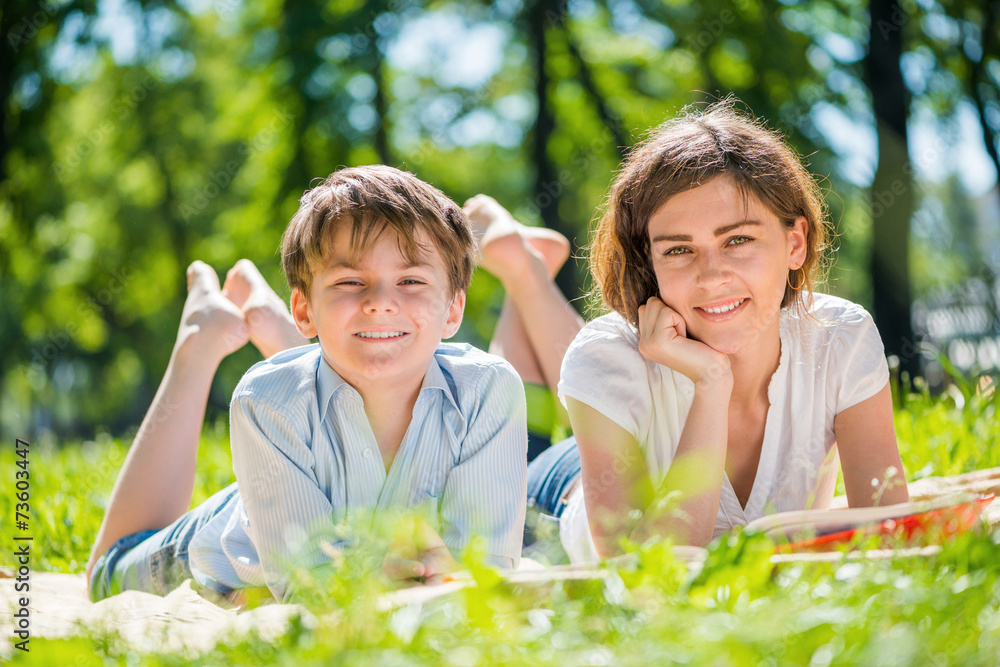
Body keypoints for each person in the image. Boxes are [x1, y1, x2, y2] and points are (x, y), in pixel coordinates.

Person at [86, 165, 528, 603]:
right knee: (106, 573)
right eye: (350, 281)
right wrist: (382, 572)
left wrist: (439, 570)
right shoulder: (264, 401)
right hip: (218, 558)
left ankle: (266, 318)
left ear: (453, 309)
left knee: (307, 391)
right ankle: (202, 335)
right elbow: (308, 585)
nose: (380, 303)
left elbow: (484, 567)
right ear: (304, 312)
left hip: (292, 491)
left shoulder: (487, 390)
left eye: (411, 281)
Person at [524, 100, 910, 563]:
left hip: (612, 426)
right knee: (532, 425)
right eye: (679, 250)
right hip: (555, 492)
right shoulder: (605, 353)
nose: (710, 277)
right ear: (650, 261)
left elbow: (891, 536)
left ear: (795, 242)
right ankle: (520, 268)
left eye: (738, 240)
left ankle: (523, 263)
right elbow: (649, 572)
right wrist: (709, 383)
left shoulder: (839, 337)